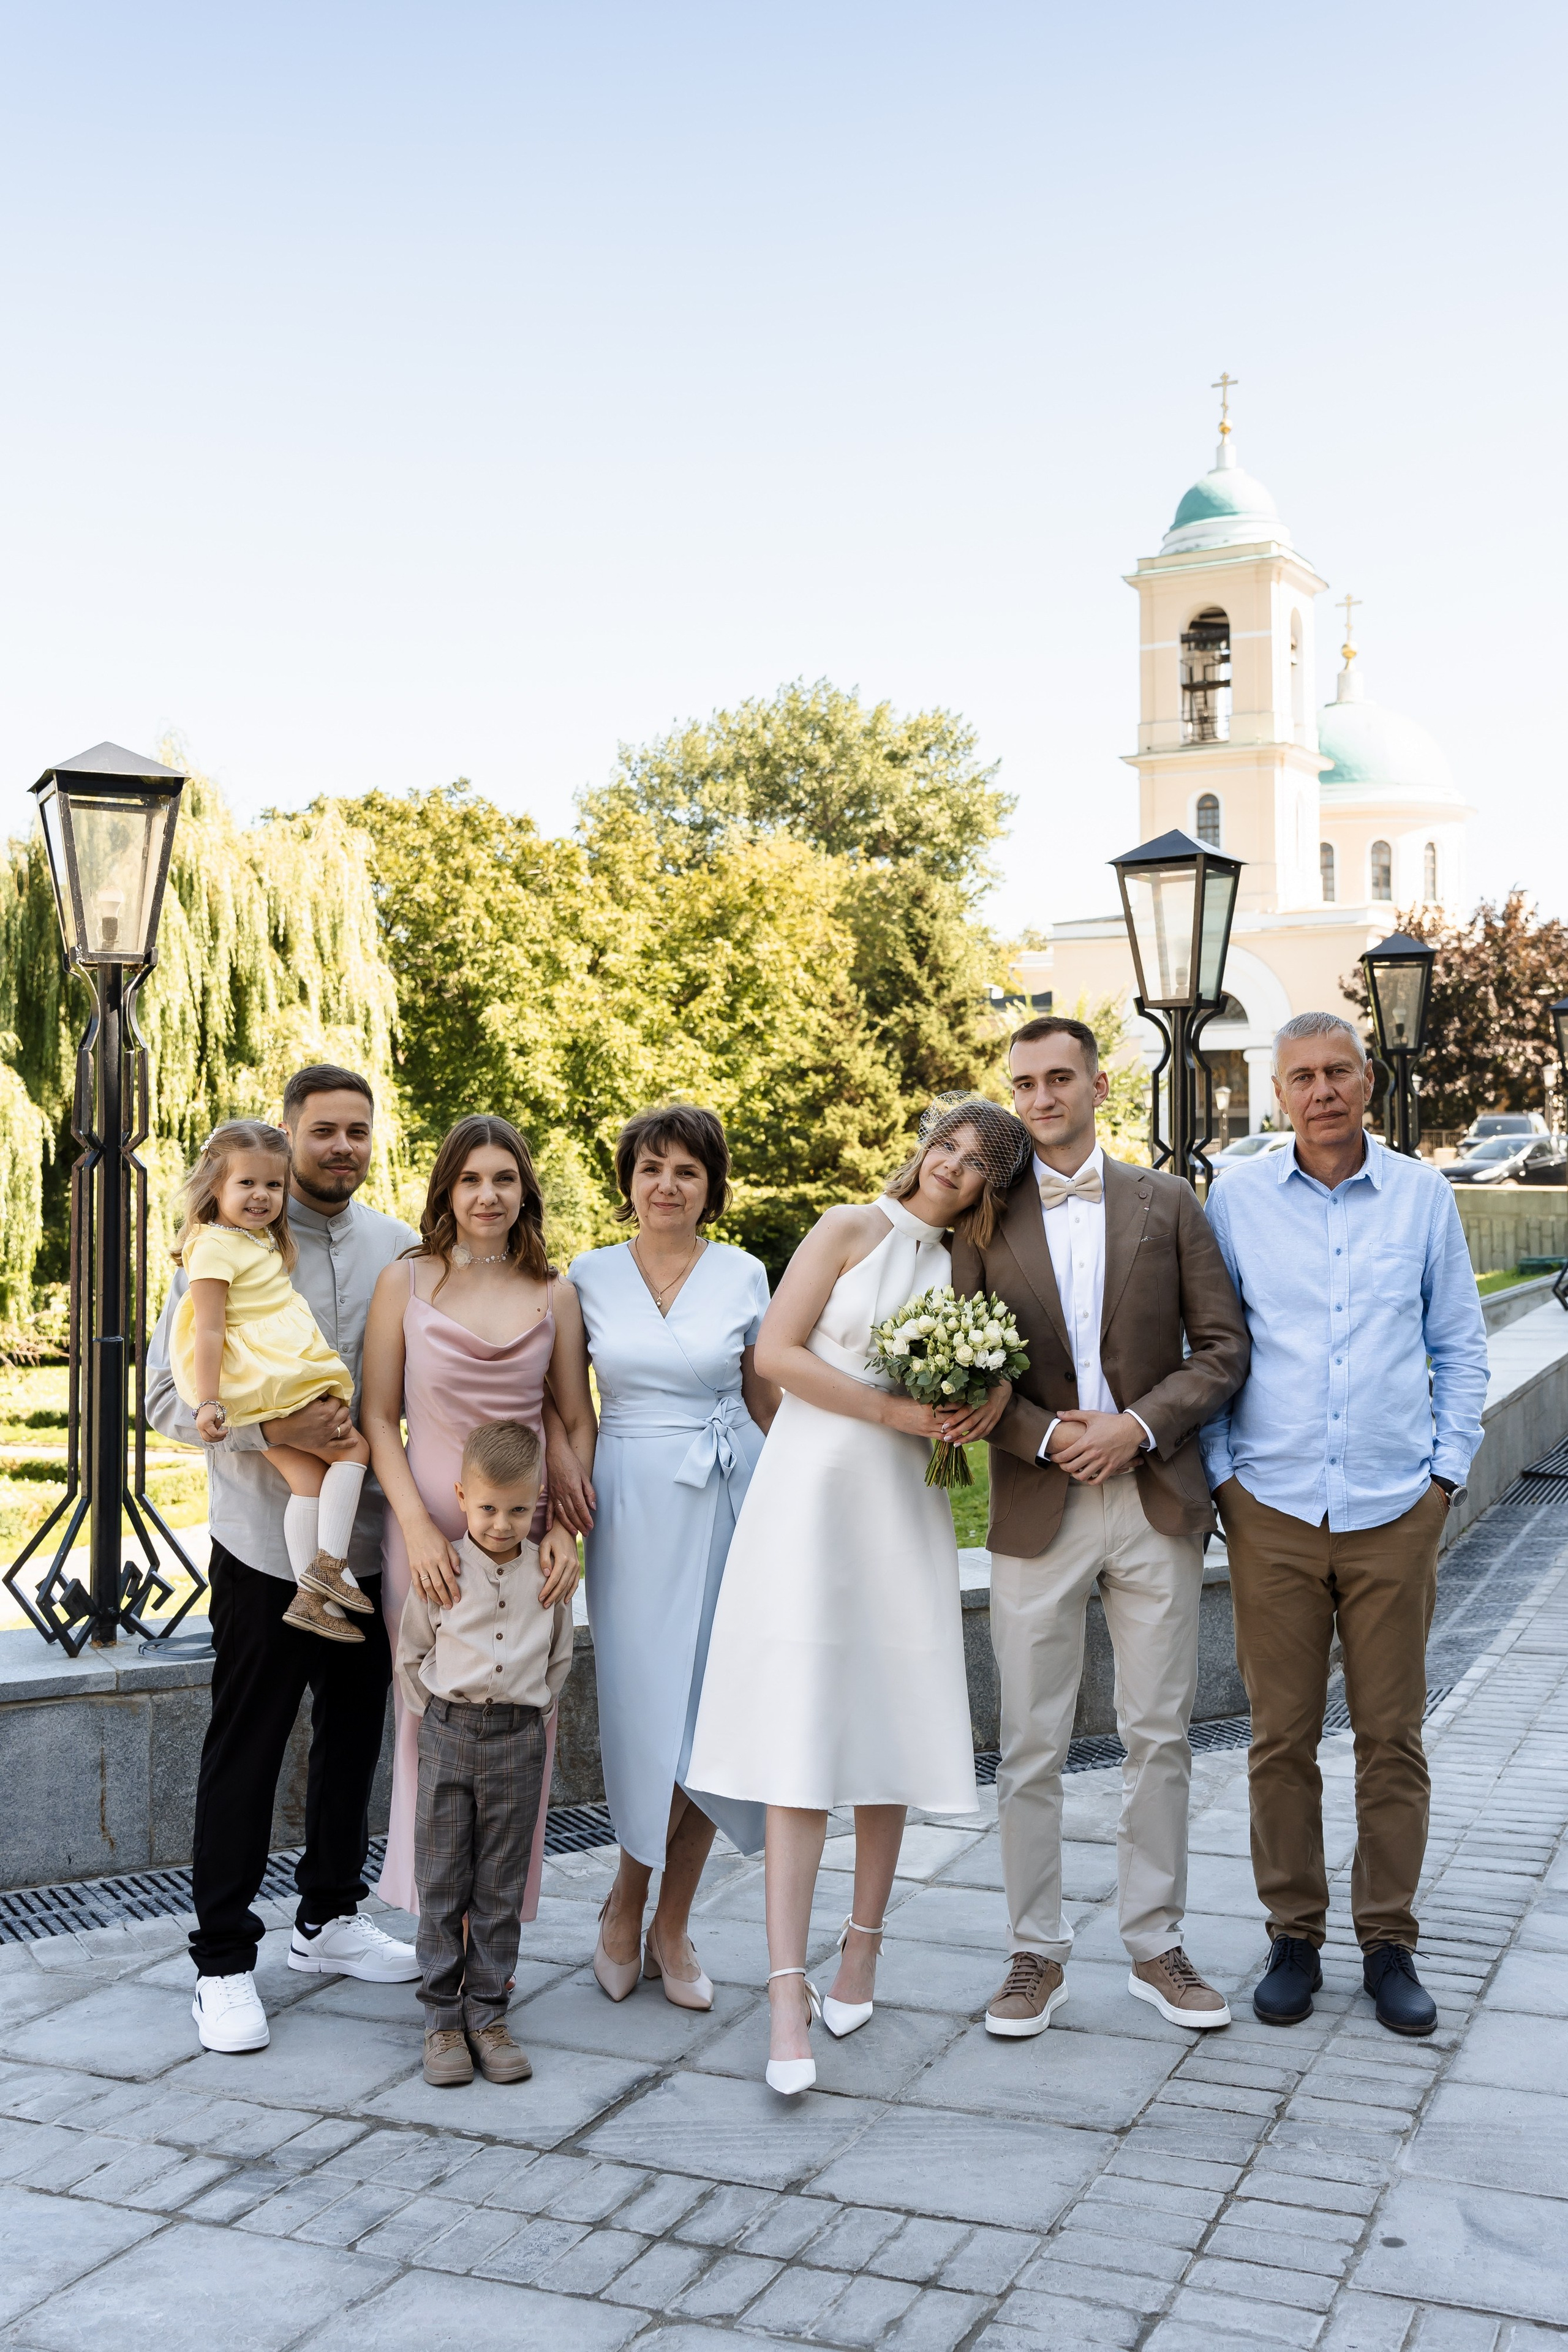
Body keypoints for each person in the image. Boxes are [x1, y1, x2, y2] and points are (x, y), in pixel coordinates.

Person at [687, 1096, 1028, 2095]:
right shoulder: (848, 1227)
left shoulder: (972, 1267)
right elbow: (776, 1356)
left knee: (886, 1724)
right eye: (946, 1147)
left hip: (900, 1509)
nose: (949, 1169)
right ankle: (785, 1995)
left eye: (973, 1166)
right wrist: (894, 1407)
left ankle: (862, 1947)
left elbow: (1006, 1362)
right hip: (809, 1493)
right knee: (799, 1736)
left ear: (988, 1191)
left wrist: (986, 1398)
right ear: (924, 1146)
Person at [951, 1017, 1250, 2040]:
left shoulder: (1169, 1203)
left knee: (1158, 1732)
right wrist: (1044, 1440)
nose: (1042, 1098)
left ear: (1097, 1084)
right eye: (1024, 1083)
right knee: (1029, 1741)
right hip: (1039, 1502)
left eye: (1060, 1078)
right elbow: (964, 1366)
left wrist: (1134, 1426)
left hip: (1155, 1495)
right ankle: (1034, 1954)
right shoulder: (982, 1218)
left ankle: (1155, 1943)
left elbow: (1221, 1349)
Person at [1202, 1012, 1488, 2037]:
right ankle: (1293, 1935)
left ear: (1367, 1081)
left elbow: (1459, 1344)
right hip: (1271, 1508)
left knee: (1391, 1737)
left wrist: (1444, 1477)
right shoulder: (1236, 1201)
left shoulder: (1421, 1196)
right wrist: (1224, 1480)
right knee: (1278, 1736)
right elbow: (1212, 1344)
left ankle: (1389, 1941)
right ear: (1279, 1094)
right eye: (1301, 1077)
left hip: (1390, 1511)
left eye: (1337, 1071)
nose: (1321, 1090)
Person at [147, 1065, 422, 2055]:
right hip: (263, 1547)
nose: (341, 1147)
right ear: (288, 1134)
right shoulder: (223, 1241)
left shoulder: (400, 1246)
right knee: (248, 1749)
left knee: (354, 1738)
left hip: (368, 1546)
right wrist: (273, 1429)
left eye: (358, 1131)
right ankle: (222, 1962)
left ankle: (330, 1920)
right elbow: (165, 1396)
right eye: (323, 1131)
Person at [568, 1104, 779, 2011]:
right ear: (628, 1181)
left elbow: (769, 1395)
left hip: (732, 1500)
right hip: (629, 1504)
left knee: (710, 1716)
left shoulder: (743, 1273)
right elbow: (562, 1409)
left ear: (710, 1188)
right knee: (643, 1710)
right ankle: (624, 1897)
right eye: (652, 1168)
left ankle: (671, 1921)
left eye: (687, 1172)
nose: (667, 1185)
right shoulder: (584, 1276)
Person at [361, 1115, 594, 1921]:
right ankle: (437, 1936)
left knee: (524, 1732)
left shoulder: (553, 1292)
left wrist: (564, 1529)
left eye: (502, 1178)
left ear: (524, 1188)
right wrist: (420, 1530)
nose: (487, 1195)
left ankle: (493, 1940)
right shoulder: (409, 1281)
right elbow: (378, 1418)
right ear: (447, 1190)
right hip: (424, 1543)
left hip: (521, 1543)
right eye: (470, 1179)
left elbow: (574, 1420)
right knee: (429, 1724)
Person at [396, 1420, 575, 2087]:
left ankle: (488, 2015)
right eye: (489, 1508)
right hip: (448, 1733)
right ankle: (442, 2021)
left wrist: (530, 1711)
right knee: (442, 1884)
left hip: (518, 1741)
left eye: (520, 1509)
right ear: (462, 1497)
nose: (503, 1524)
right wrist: (438, 1717)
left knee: (499, 1887)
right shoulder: (441, 1569)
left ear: (538, 1505)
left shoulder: (548, 1576)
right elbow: (412, 1652)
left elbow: (558, 1658)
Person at [170, 1120, 374, 1643]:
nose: (262, 1196)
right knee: (353, 1451)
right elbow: (210, 1328)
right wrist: (210, 1400)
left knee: (306, 1480)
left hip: (271, 1369)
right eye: (247, 1184)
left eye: (274, 1186)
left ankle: (312, 1599)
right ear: (214, 1186)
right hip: (259, 1375)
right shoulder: (213, 1247)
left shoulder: (254, 1239)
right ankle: (328, 1568)